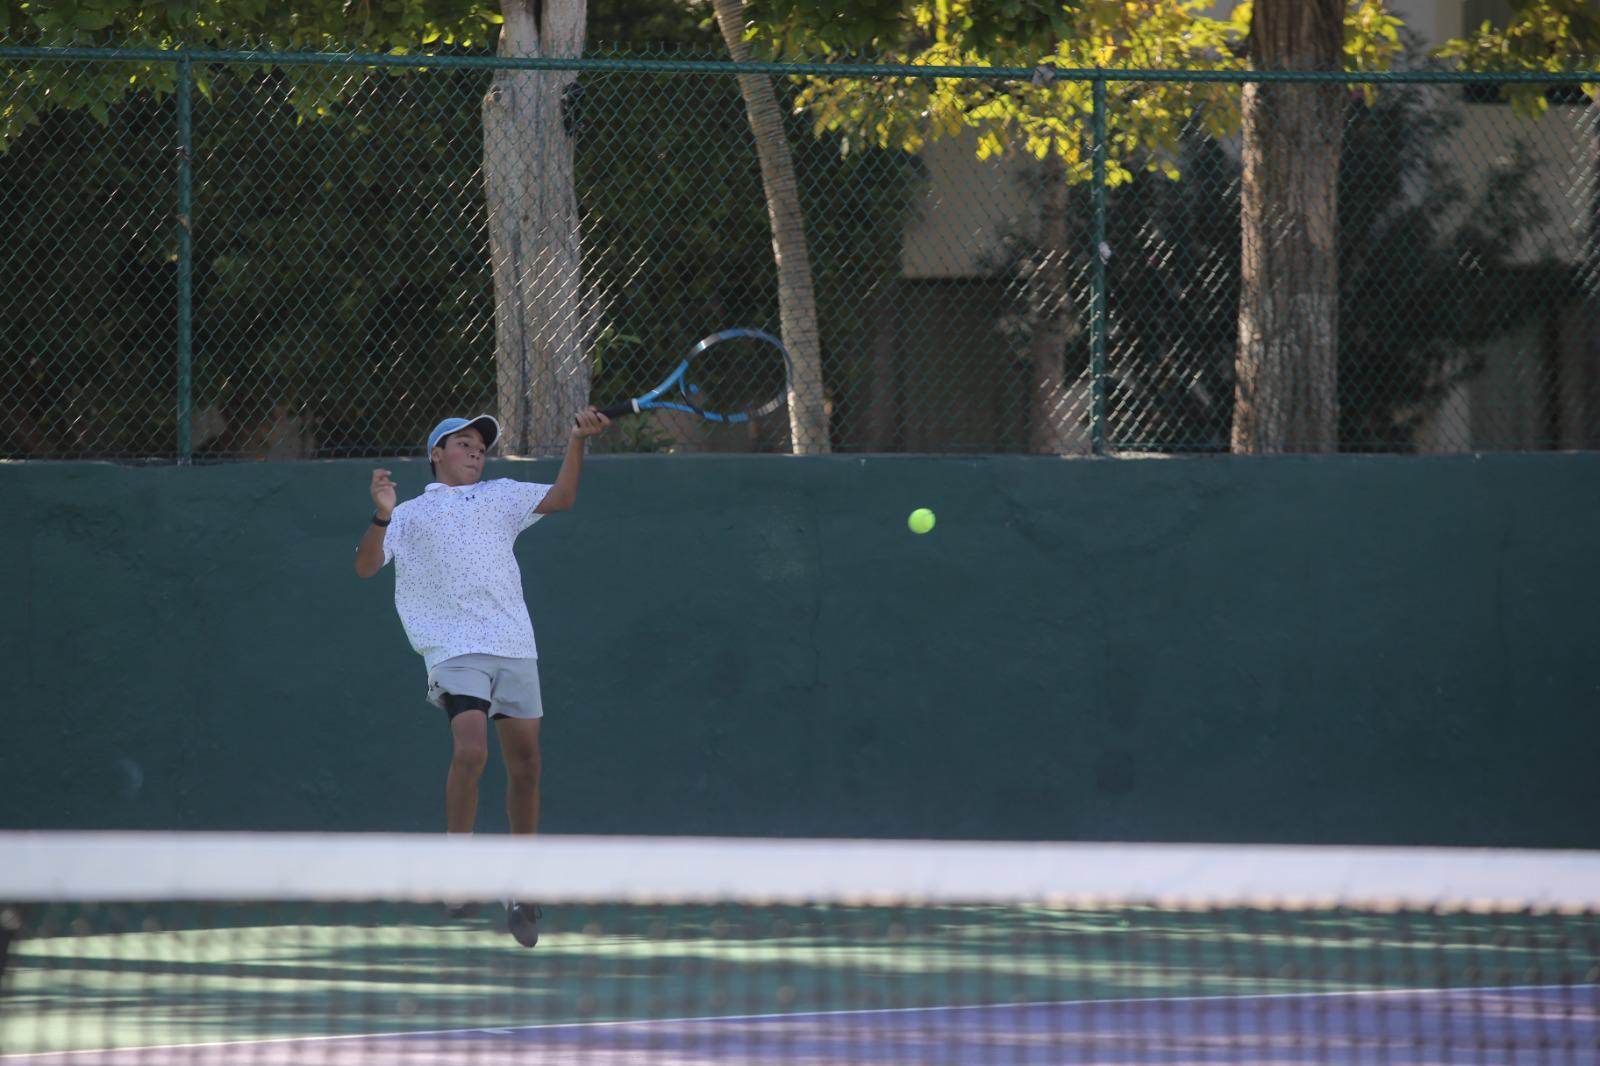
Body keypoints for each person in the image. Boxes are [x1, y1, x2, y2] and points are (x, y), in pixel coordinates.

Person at [355, 408, 610, 947]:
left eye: (481, 446)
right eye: (464, 443)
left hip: (514, 646)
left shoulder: (502, 495)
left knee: (528, 766)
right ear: (436, 454)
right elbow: (365, 566)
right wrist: (381, 516)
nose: (476, 451)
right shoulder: (410, 513)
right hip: (453, 650)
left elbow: (562, 496)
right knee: (470, 750)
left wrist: (577, 441)